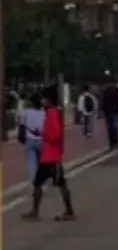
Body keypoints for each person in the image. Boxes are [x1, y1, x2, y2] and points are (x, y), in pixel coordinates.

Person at [22, 87, 76, 221]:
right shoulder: (53, 112)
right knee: (59, 183)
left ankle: (37, 212)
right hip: (52, 155)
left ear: (49, 100)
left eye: (44, 98)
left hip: (50, 156)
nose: (42, 101)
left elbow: (55, 134)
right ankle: (67, 210)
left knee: (39, 183)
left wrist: (41, 134)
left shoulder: (52, 113)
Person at [18, 92, 45, 181]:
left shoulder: (26, 113)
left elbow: (22, 124)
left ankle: (33, 178)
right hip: (41, 139)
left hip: (30, 139)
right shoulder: (44, 114)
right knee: (41, 160)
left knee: (31, 160)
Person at [100, 78, 118, 151]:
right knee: (113, 127)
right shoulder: (116, 91)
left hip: (109, 111)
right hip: (113, 111)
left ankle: (112, 143)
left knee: (110, 128)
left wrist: (103, 110)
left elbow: (103, 102)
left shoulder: (106, 91)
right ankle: (115, 143)